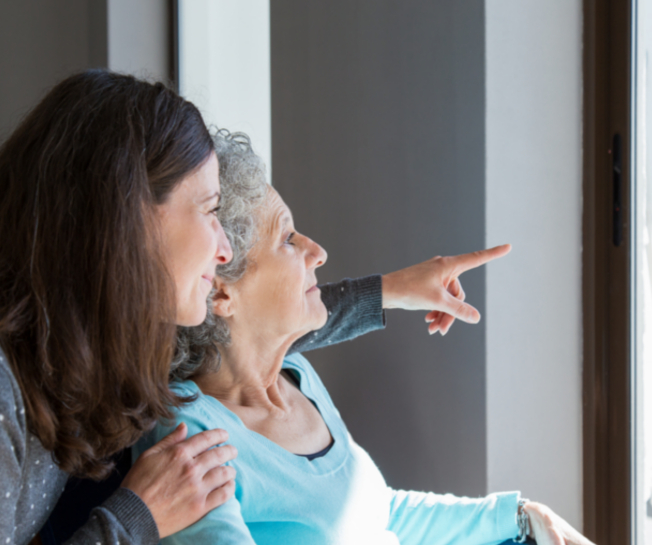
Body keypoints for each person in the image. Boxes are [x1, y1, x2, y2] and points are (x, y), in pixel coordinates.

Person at [0, 70, 505, 545]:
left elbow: (249, 332)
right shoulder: (9, 389)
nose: (222, 251)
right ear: (128, 221)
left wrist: (389, 291)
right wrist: (135, 517)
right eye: (208, 210)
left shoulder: (87, 351)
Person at [135, 131, 593, 545]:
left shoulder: (296, 378)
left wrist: (515, 517)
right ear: (220, 290)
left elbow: (379, 514)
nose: (317, 252)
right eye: (288, 239)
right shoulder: (190, 437)